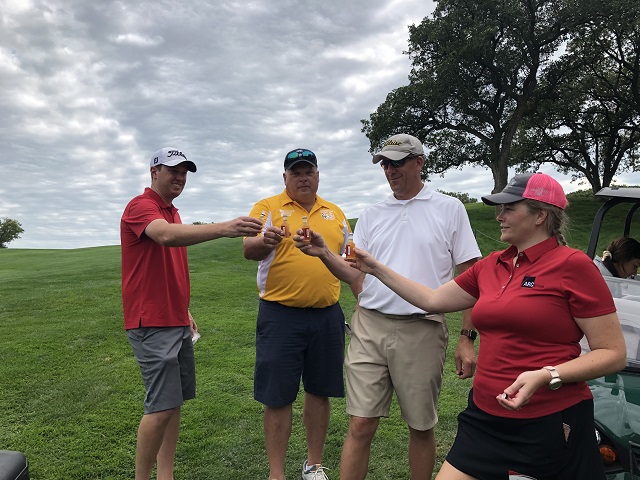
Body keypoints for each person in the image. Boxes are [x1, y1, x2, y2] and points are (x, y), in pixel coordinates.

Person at [348, 172, 627, 480]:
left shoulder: (573, 265)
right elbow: (431, 299)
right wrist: (375, 268)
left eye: (509, 208)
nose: (499, 216)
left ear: (540, 215)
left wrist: (546, 375)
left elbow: (612, 353)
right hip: (484, 417)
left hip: (548, 421)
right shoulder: (492, 265)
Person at [295, 133, 481, 480]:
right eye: (384, 163)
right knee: (360, 423)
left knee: (420, 426)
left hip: (422, 328)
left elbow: (470, 275)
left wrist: (466, 337)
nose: (390, 170)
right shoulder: (371, 215)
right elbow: (354, 272)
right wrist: (323, 254)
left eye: (397, 162)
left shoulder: (449, 208)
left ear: (419, 162)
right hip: (370, 325)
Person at [121, 147, 263, 480]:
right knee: (160, 406)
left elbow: (165, 266)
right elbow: (164, 236)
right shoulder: (141, 206)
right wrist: (224, 227)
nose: (180, 177)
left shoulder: (172, 212)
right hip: (151, 322)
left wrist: (183, 309)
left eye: (184, 172)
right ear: (154, 172)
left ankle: (165, 475)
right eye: (173, 170)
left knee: (174, 403)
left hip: (174, 318)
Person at [243, 148, 351, 480]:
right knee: (278, 396)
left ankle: (313, 466)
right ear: (285, 177)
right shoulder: (268, 207)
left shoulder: (335, 212)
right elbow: (248, 248)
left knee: (320, 391)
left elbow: (349, 259)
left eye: (308, 172)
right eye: (296, 172)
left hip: (327, 315)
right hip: (280, 315)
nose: (303, 178)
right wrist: (267, 241)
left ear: (317, 175)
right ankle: (276, 473)